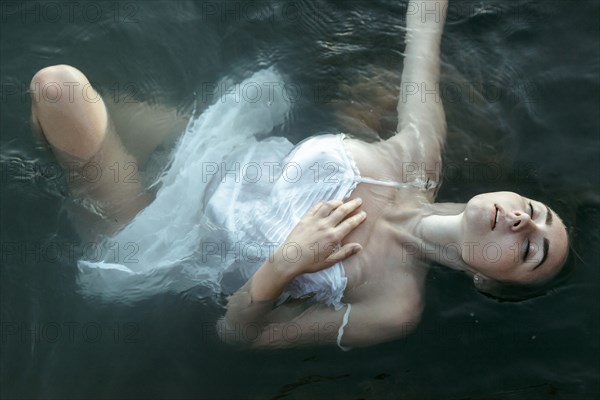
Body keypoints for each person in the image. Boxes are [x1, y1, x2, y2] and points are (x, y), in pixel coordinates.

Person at [29, 0, 569, 349]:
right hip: (206, 144)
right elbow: (424, 30)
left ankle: (66, 181)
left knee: (57, 87)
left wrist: (289, 262)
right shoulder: (418, 156)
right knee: (54, 101)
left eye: (531, 252)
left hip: (161, 231)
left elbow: (237, 333)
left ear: (486, 280)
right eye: (538, 213)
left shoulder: (394, 305)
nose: (525, 224)